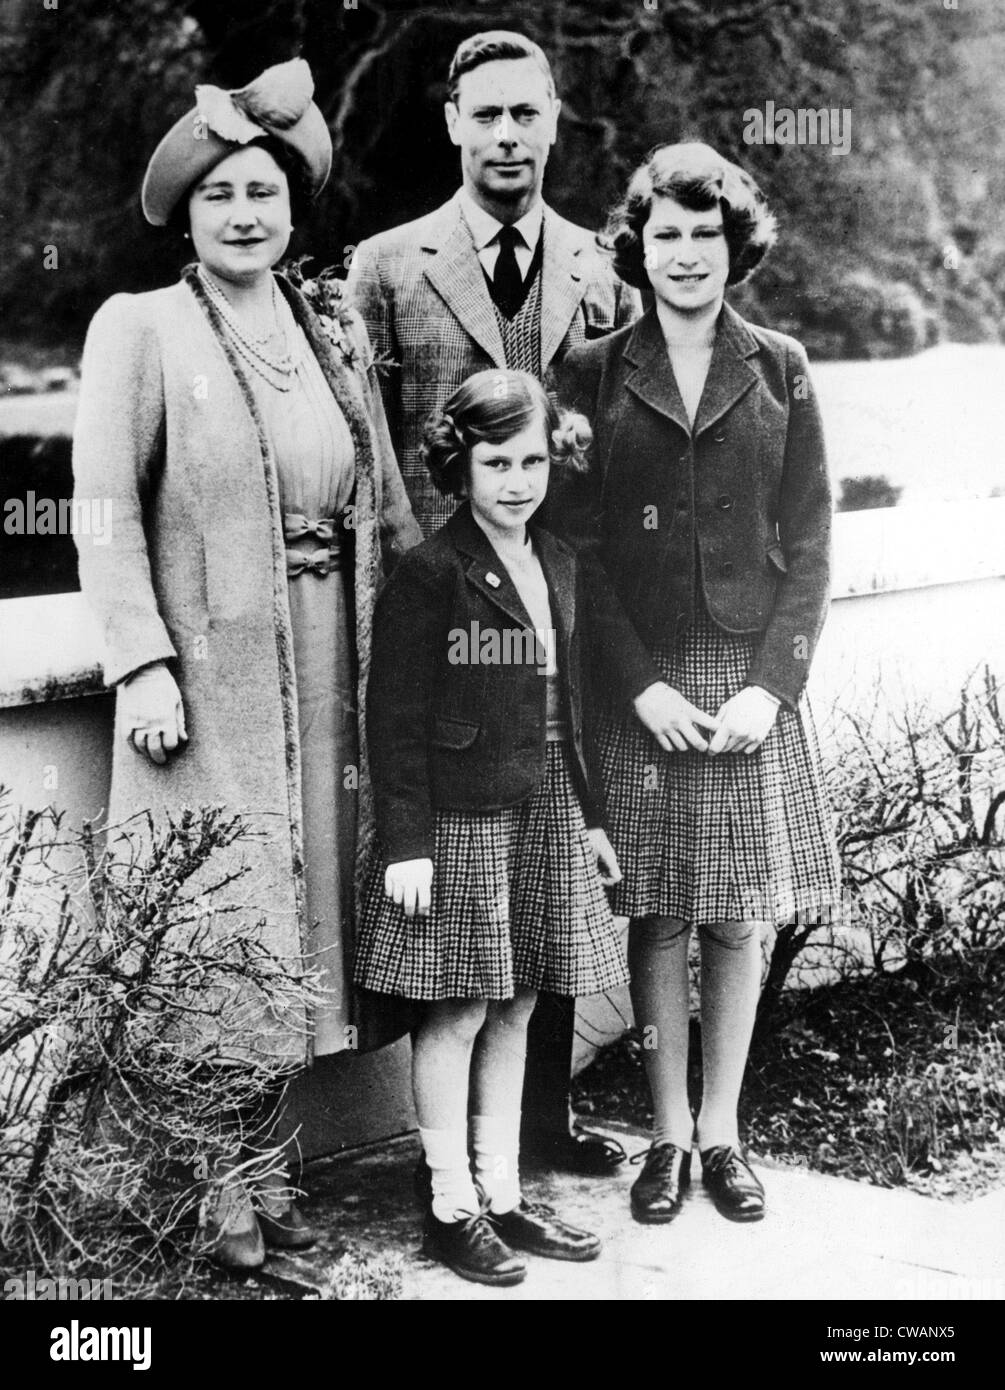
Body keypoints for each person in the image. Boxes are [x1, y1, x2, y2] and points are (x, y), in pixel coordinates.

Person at [72, 59, 421, 1272]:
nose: (243, 213)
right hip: (213, 679)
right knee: (216, 927)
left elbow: (380, 499)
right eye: (218, 192)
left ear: (291, 202)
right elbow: (106, 510)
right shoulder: (141, 327)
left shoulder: (324, 325)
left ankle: (266, 1181)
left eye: (262, 188)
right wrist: (141, 662)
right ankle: (213, 1201)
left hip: (331, 666)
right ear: (188, 208)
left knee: (305, 918)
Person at [347, 27, 637, 1176]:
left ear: (555, 121)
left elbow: (614, 456)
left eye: (529, 113)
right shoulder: (384, 266)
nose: (508, 136)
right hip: (440, 607)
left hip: (562, 608)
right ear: (454, 124)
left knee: (552, 861)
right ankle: (452, 1163)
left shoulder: (597, 272)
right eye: (488, 115)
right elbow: (369, 454)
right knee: (463, 901)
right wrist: (419, 570)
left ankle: (539, 1127)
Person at [555, 142, 841, 1225]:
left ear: (736, 248)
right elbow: (571, 543)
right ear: (639, 247)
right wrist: (635, 685)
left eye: (703, 235)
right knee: (660, 910)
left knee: (736, 915)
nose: (684, 254)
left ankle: (725, 1130)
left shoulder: (781, 364)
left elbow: (811, 545)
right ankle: (666, 1135)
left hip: (744, 680)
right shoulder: (589, 370)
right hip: (642, 684)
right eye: (664, 234)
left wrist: (775, 685)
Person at [354, 370, 629, 1286]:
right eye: (495, 462)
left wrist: (589, 819)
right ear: (458, 467)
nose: (516, 479)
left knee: (520, 1000)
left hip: (547, 802)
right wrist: (406, 842)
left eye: (532, 460)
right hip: (461, 814)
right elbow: (390, 719)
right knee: (461, 1005)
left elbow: (570, 708)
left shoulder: (559, 558)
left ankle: (503, 1194)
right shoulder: (430, 574)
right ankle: (448, 1205)